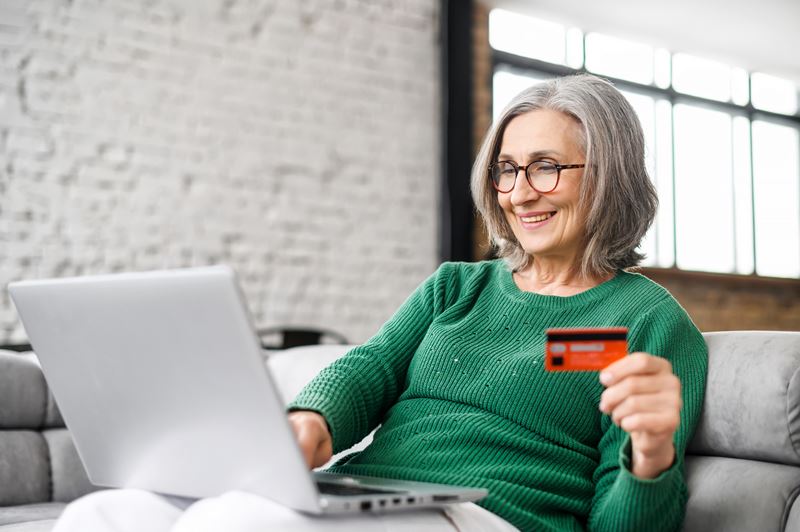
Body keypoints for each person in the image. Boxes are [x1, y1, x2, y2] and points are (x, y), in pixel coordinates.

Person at [53, 73, 707, 532]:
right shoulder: (458, 286)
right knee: (105, 514)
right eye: (507, 169)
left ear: (611, 175)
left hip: (491, 516)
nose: (519, 192)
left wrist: (650, 458)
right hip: (374, 496)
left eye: (544, 166)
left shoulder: (646, 321)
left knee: (238, 522)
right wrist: (312, 421)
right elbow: (371, 366)